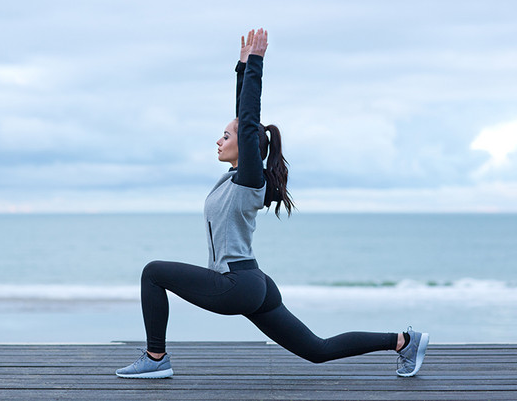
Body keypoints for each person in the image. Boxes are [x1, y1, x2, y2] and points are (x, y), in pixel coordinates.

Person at [116, 29, 429, 379]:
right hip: (254, 282)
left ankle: (156, 358)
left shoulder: (251, 181)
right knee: (316, 349)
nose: (218, 140)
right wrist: (241, 66)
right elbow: (243, 121)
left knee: (153, 272)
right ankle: (404, 341)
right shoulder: (235, 179)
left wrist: (256, 65)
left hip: (237, 285)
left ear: (247, 148)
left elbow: (248, 122)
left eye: (225, 136)